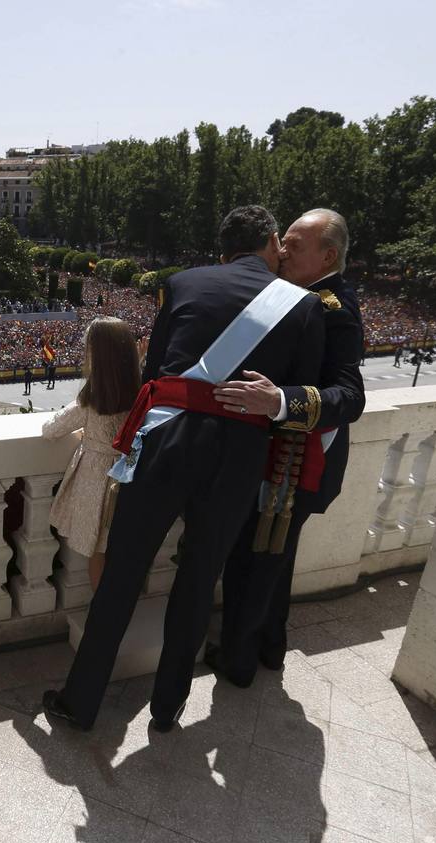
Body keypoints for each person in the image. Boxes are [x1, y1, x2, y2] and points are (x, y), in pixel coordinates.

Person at [43, 206, 325, 733]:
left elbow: (153, 378)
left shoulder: (181, 282)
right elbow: (296, 399)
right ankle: (168, 705)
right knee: (198, 579)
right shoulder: (305, 306)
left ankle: (81, 702)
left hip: (167, 441)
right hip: (239, 453)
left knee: (123, 573)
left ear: (221, 248)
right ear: (270, 241)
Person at [209, 209, 365, 685]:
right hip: (287, 462)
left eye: (295, 244)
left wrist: (278, 400)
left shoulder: (332, 307)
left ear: (328, 256)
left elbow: (349, 396)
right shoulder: (304, 296)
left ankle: (237, 662)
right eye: (284, 241)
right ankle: (270, 648)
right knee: (273, 563)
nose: (282, 250)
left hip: (293, 464)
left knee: (251, 564)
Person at [41, 318, 142, 589]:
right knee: (123, 550)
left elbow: (50, 429)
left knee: (99, 551)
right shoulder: (142, 391)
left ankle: (102, 612)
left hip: (98, 481)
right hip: (131, 475)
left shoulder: (92, 398)